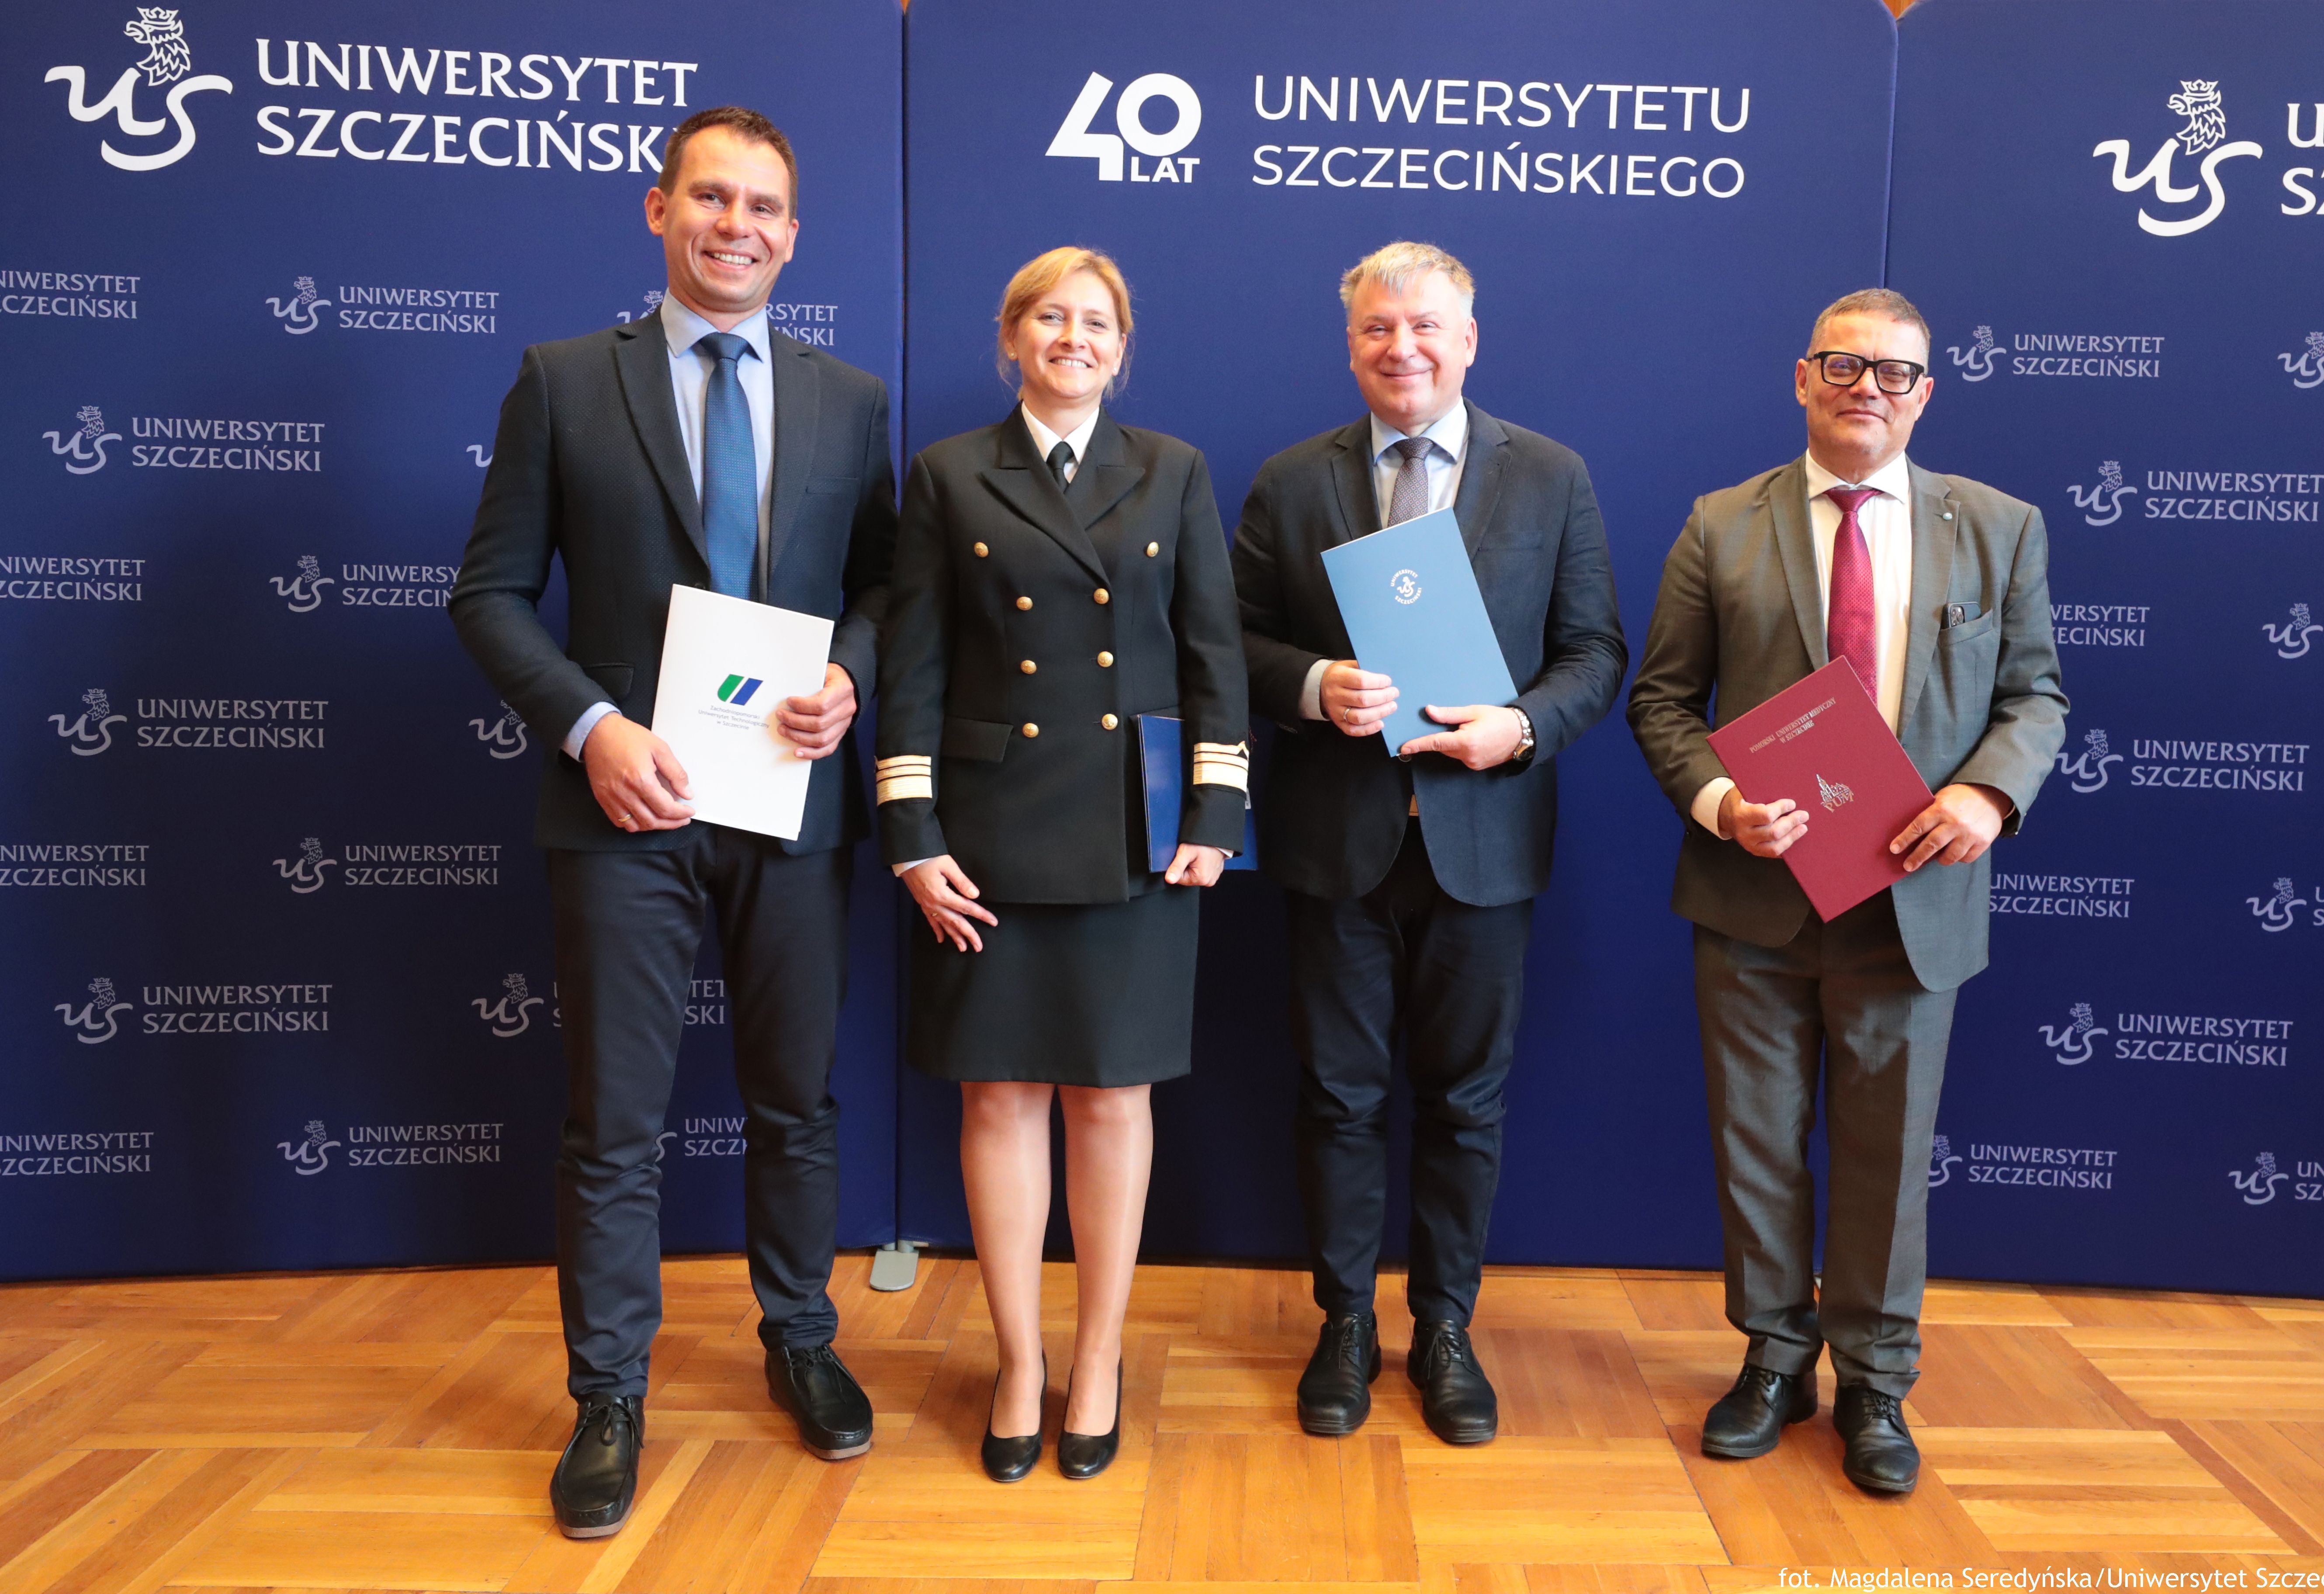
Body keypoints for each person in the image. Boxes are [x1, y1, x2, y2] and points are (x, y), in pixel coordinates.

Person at [450, 106, 894, 1537]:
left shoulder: (850, 401)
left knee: (797, 1102)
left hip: (789, 805)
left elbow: (885, 587)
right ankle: (608, 1397)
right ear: (660, 211)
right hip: (624, 803)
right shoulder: (565, 381)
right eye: (711, 198)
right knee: (615, 1124)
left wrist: (850, 675)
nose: (736, 226)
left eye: (763, 207)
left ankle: (802, 1339)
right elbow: (489, 596)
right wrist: (593, 729)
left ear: (793, 236)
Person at [1625, 288, 2067, 1494]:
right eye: (1842, 365)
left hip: (1913, 902)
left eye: (1894, 372)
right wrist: (1723, 803)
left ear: (1925, 394)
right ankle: (1775, 1359)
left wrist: (1988, 796)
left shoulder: (2000, 527)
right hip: (1754, 897)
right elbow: (1663, 701)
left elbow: (2035, 697)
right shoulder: (1721, 524)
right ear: (1802, 379)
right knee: (1757, 1144)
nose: (1867, 386)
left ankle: (1876, 1380)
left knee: (1887, 1153)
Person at [1231, 241, 1626, 1447]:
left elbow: (1596, 653)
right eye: (1376, 329)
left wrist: (1522, 727)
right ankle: (1345, 1322)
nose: (1401, 348)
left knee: (1466, 1103)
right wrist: (1313, 687)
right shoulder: (1292, 480)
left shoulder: (1550, 475)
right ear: (1350, 345)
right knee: (1338, 1097)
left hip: (1484, 843)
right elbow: (1231, 642)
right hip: (1336, 841)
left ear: (1469, 340)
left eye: (1425, 327)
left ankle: (1445, 1327)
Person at [876, 247, 1248, 1483]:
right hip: (986, 836)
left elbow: (1212, 655)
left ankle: (1097, 1358)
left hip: (1136, 837)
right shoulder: (949, 474)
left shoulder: (1174, 471)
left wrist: (1216, 810)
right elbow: (915, 668)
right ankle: (1019, 1362)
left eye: (1096, 321)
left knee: (1111, 1098)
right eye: (1050, 317)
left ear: (1122, 347)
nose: (1072, 337)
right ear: (1011, 337)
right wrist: (913, 834)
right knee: (997, 1099)